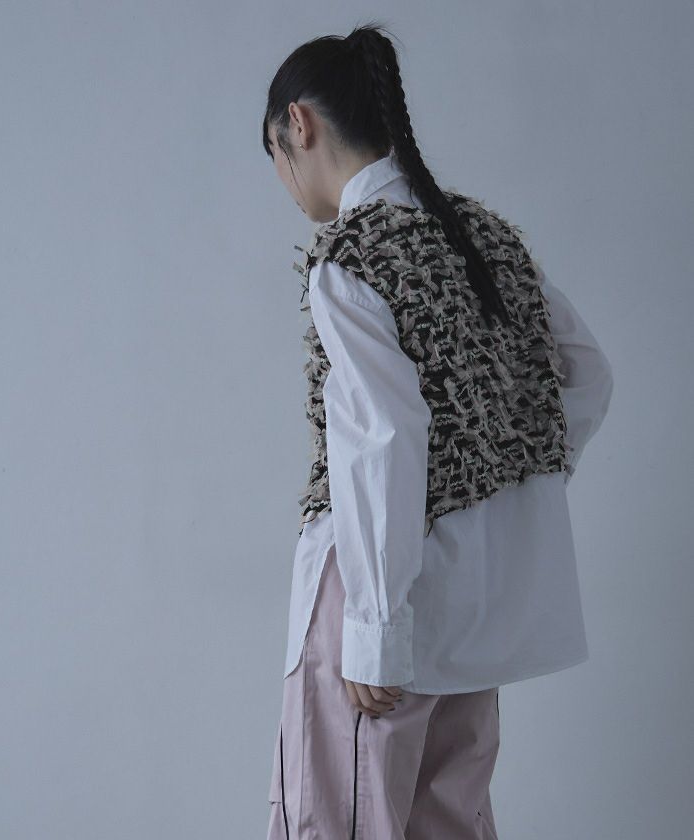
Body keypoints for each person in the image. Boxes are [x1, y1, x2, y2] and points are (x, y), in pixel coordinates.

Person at [262, 21, 614, 840]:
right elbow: (586, 375)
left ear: (298, 125)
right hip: (477, 606)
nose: (284, 179)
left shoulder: (351, 256)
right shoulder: (482, 237)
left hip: (377, 594)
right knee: (450, 821)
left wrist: (374, 630)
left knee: (341, 821)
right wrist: (499, 485)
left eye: (275, 153)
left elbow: (382, 435)